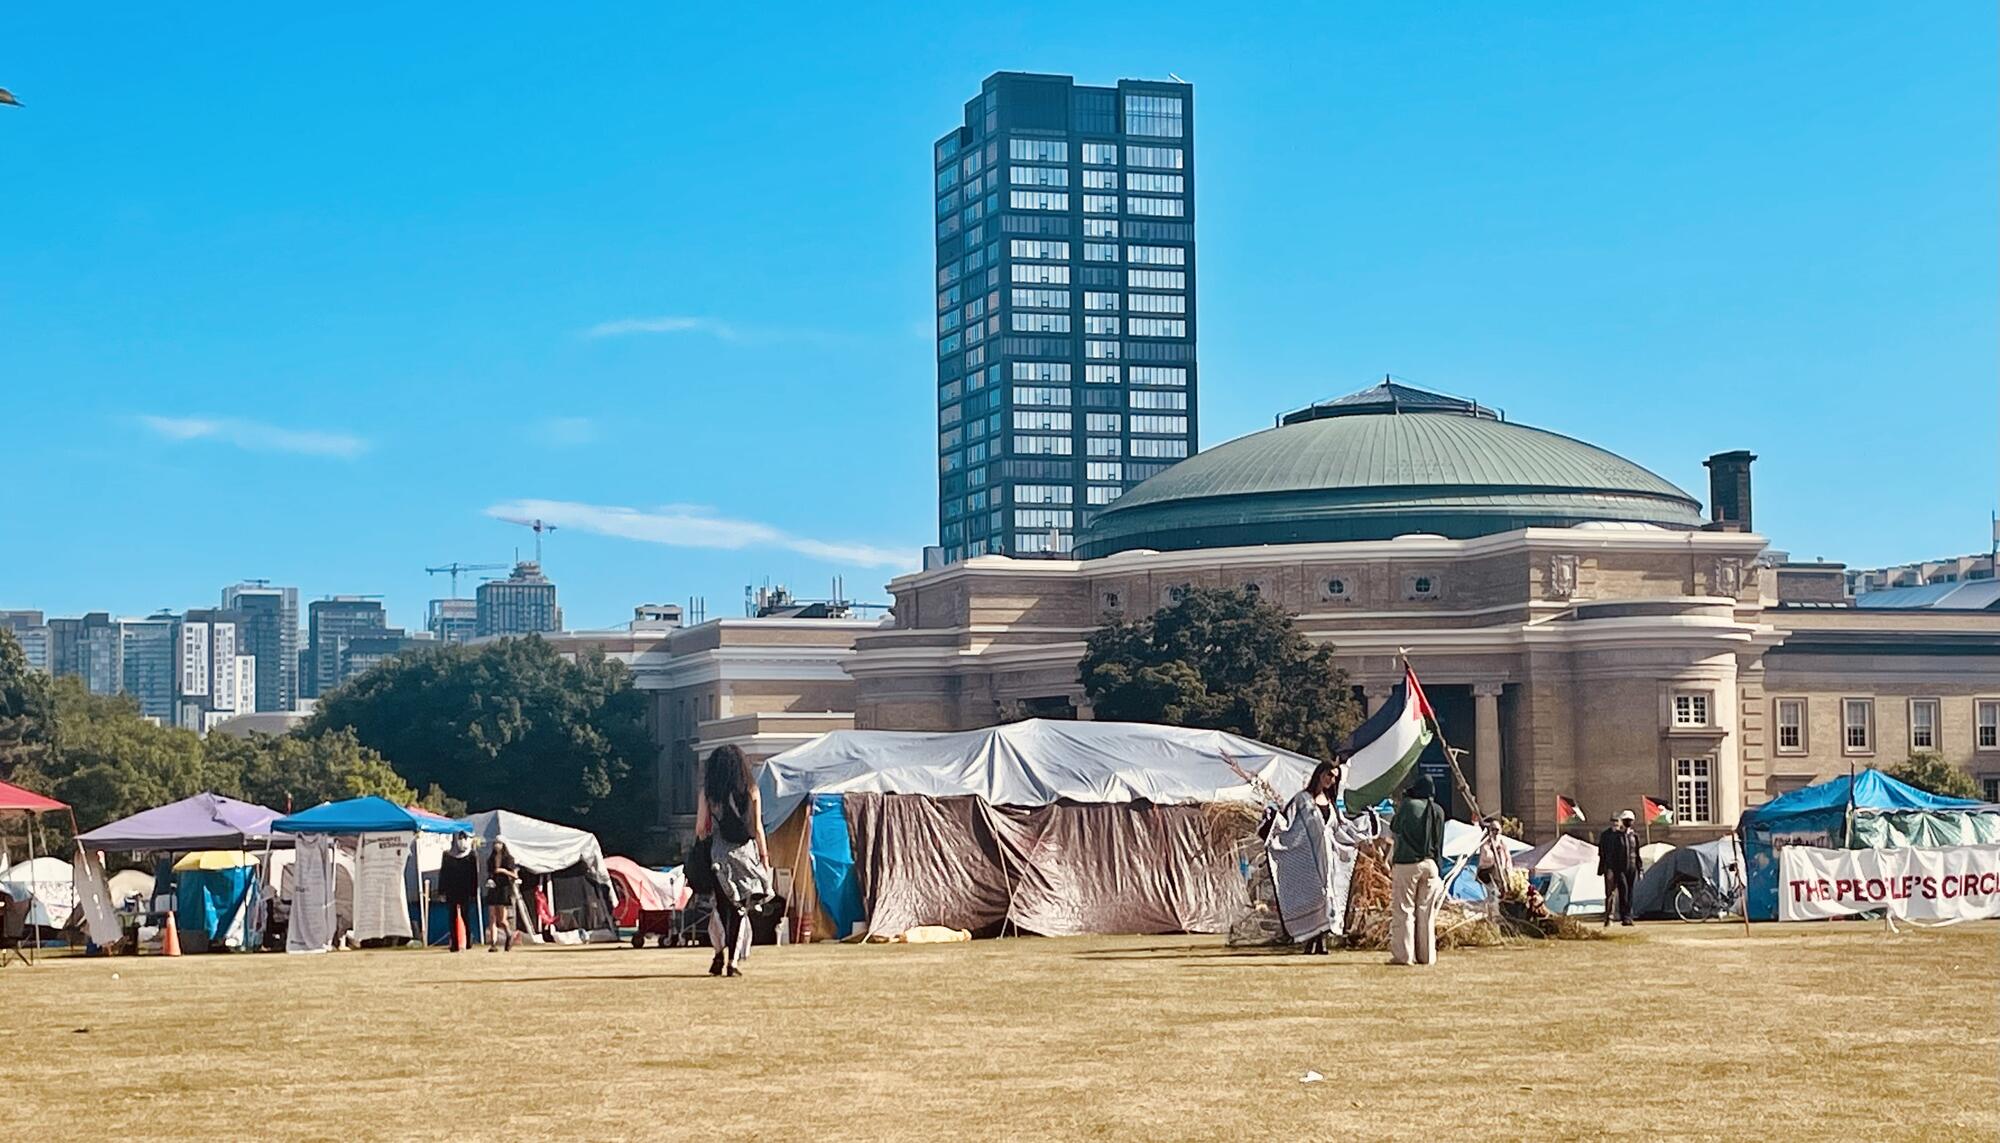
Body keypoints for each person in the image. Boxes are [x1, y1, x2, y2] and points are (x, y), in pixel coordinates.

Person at [1265, 757, 1380, 954]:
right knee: (1314, 895)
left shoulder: (1331, 803)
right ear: (1320, 774)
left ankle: (1321, 942)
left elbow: (1342, 828)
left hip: (1329, 858)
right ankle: (1311, 941)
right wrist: (1272, 820)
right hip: (1308, 858)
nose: (1331, 780)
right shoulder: (1302, 800)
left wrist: (1365, 822)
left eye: (1334, 778)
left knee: (1328, 896)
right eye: (1329, 775)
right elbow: (1287, 823)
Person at [697, 744, 772, 978]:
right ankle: (734, 961)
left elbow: (701, 827)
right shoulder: (752, 790)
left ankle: (718, 954)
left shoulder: (709, 793)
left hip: (719, 855)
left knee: (720, 908)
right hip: (746, 856)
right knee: (740, 909)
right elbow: (758, 828)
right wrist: (764, 858)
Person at [1388, 775, 1445, 967]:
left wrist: (1404, 801)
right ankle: (1427, 956)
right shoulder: (1438, 810)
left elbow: (1395, 827)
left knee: (1404, 910)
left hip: (1408, 862)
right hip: (1431, 864)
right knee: (1426, 913)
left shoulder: (1409, 805)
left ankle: (1404, 956)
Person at [1598, 810, 1641, 926]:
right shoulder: (1611, 836)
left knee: (1629, 892)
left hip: (1629, 868)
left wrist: (1639, 868)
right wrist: (1606, 868)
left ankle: (1627, 916)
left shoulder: (1632, 836)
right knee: (1615, 892)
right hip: (1615, 868)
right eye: (1613, 821)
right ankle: (1611, 917)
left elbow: (1636, 853)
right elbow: (1604, 853)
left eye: (1617, 821)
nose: (1615, 823)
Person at [438, 834, 479, 952]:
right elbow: (443, 874)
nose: (462, 841)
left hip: (465, 890)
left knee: (466, 916)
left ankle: (468, 942)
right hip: (451, 890)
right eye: (460, 838)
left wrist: (474, 891)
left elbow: (474, 875)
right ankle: (454, 944)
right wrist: (442, 891)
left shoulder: (471, 856)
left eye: (464, 838)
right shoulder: (447, 855)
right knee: (452, 917)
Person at [484, 840, 520, 952]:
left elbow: (514, 875)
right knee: (492, 916)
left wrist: (503, 871)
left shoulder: (509, 859)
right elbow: (490, 872)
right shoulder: (491, 859)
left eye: (499, 843)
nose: (496, 845)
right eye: (495, 843)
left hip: (503, 888)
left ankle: (509, 935)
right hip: (493, 887)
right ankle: (493, 943)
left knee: (502, 919)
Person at [1475, 816, 1515, 907]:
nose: (1495, 832)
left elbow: (1507, 857)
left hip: (1501, 872)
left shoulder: (1501, 841)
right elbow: (1486, 856)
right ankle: (1491, 910)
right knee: (1492, 893)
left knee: (1503, 892)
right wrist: (1494, 851)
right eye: (1493, 829)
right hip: (1487, 872)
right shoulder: (1486, 841)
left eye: (1497, 830)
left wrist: (1508, 869)